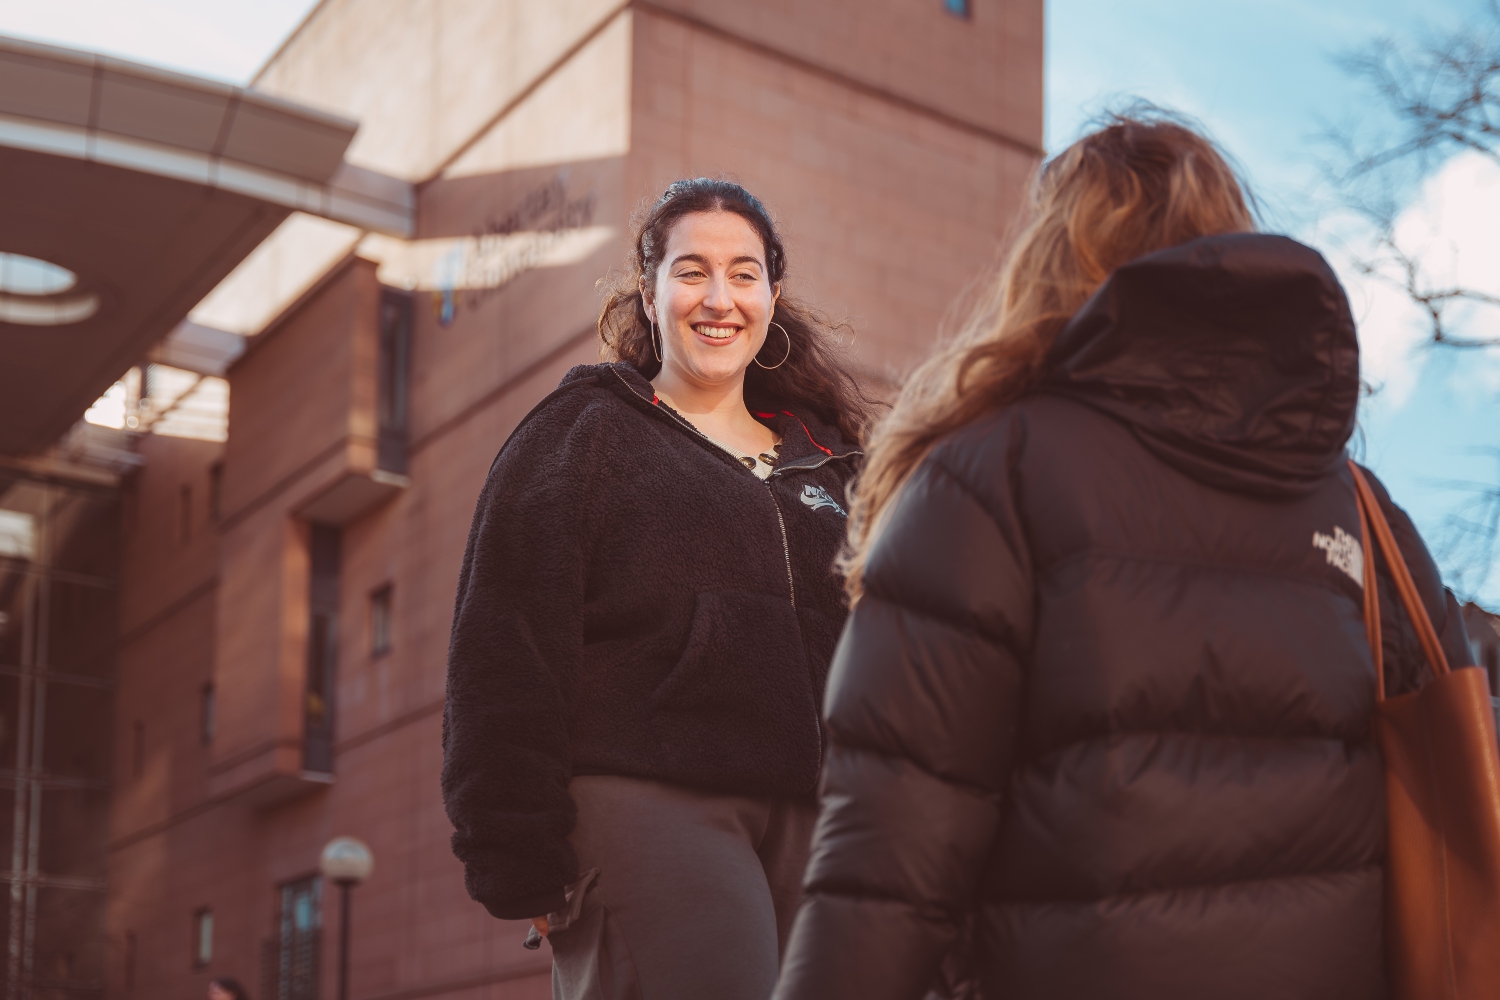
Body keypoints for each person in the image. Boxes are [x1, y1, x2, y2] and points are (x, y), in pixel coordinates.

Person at [772, 112, 1474, 1000]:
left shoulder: (990, 479)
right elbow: (1452, 787)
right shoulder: (1367, 517)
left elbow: (883, 874)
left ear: (1048, 267)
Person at [443, 177, 875, 1000]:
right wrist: (513, 849)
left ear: (772, 296)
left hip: (824, 819)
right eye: (691, 272)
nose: (719, 298)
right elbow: (504, 645)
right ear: (649, 294)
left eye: (743, 274)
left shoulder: (834, 464)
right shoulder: (584, 432)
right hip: (650, 799)